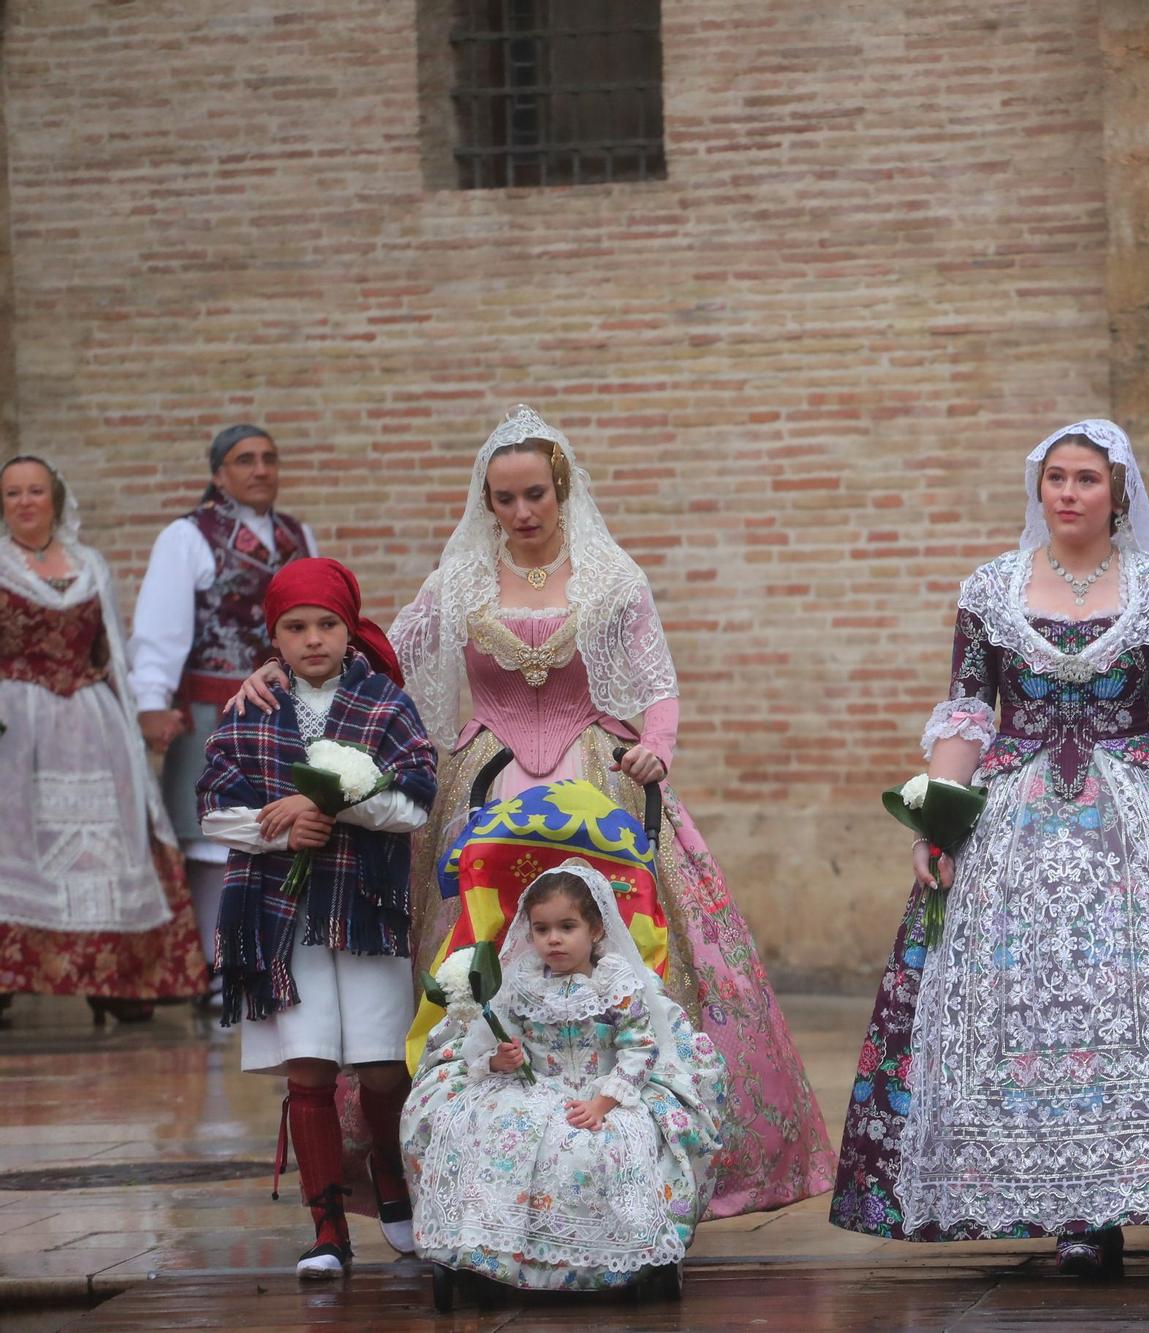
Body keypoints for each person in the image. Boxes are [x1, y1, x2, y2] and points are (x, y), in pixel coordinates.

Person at [230, 404, 831, 1217]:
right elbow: (372, 656)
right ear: (487, 503)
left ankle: (640, 1152)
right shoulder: (460, 580)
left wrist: (656, 747)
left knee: (627, 952)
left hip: (598, 780)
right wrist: (273, 669)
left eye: (535, 495)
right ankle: (484, 1159)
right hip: (485, 784)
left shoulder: (615, 577)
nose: (521, 512)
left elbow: (657, 687)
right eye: (504, 499)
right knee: (477, 959)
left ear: (561, 489)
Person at [830, 419, 1149, 1276]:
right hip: (1013, 818)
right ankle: (1049, 1196)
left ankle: (1118, 1193)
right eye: (1056, 478)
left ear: (1118, 493)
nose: (1069, 492)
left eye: (1086, 478)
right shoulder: (990, 589)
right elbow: (967, 711)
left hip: (1139, 816)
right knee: (1019, 993)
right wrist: (938, 819)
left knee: (1135, 994)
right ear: (1039, 490)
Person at [198, 558, 437, 1280]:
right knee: (308, 1068)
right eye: (295, 627)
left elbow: (416, 800)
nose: (312, 639)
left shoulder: (385, 704)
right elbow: (214, 810)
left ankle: (390, 1176)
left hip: (365, 910)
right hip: (281, 919)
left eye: (326, 624)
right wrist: (280, 829)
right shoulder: (249, 709)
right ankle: (327, 1222)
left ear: (349, 626)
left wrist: (331, 803)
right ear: (274, 634)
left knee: (380, 1063)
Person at [402, 862, 724, 1296]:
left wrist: (604, 1102)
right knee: (496, 1134)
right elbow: (487, 1047)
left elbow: (640, 1047)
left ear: (594, 930)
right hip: (532, 1090)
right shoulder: (519, 985)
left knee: (603, 1146)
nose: (553, 939)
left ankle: (620, 1253)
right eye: (541, 929)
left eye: (566, 926)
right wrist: (502, 1059)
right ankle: (491, 1248)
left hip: (606, 1090)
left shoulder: (619, 983)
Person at [0, 456, 207, 1022]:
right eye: (13, 493)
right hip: (13, 726)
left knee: (108, 843)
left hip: (92, 724)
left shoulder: (90, 565)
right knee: (16, 845)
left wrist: (139, 715)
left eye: (34, 491)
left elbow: (112, 649)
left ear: (55, 498)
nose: (24, 502)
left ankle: (118, 979)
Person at [132, 425, 315, 998]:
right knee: (214, 838)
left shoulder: (297, 534)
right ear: (218, 474)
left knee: (288, 830)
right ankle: (217, 968)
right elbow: (161, 627)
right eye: (244, 460)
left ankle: (277, 959)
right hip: (218, 712)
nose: (260, 469)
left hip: (290, 711)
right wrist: (151, 702)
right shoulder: (187, 537)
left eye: (269, 458)